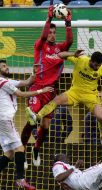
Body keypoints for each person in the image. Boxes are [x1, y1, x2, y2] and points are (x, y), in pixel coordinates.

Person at [26, 50, 102, 151]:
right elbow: (60, 55)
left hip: (91, 96)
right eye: (95, 65)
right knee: (55, 101)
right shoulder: (81, 59)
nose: (97, 67)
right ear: (91, 61)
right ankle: (37, 116)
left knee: (101, 117)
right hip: (75, 92)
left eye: (99, 65)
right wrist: (73, 54)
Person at [0, 59, 54, 190]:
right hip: (4, 120)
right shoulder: (3, 82)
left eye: (6, 65)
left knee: (9, 152)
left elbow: (28, 82)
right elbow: (20, 94)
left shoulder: (8, 81)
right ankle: (20, 180)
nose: (7, 67)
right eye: (4, 66)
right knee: (20, 148)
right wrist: (41, 91)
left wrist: (34, 72)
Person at [20, 5, 73, 168]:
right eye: (50, 32)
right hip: (37, 88)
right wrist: (49, 18)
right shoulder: (40, 45)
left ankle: (36, 149)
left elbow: (70, 41)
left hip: (51, 92)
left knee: (45, 126)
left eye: (54, 32)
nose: (52, 34)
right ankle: (21, 153)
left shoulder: (59, 48)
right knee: (31, 121)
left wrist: (68, 23)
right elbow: (43, 36)